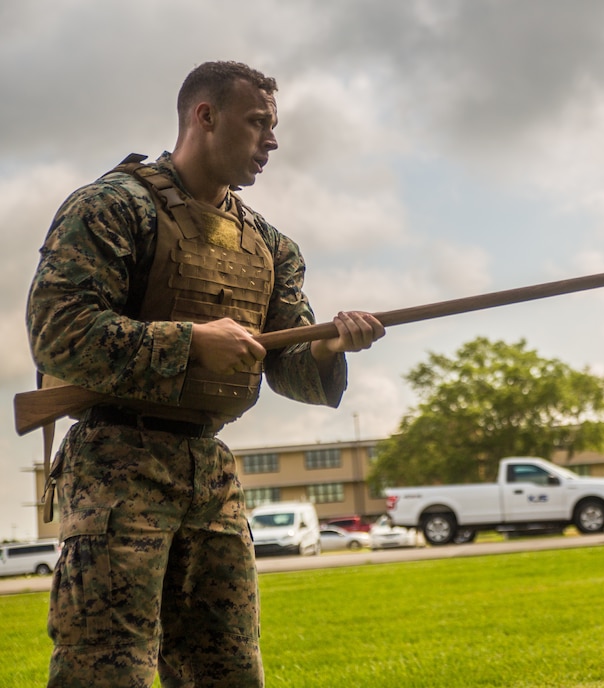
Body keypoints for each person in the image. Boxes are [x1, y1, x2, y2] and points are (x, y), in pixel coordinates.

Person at [26, 61, 385, 687]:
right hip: (116, 466)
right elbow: (59, 333)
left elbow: (291, 371)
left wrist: (329, 348)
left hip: (209, 474)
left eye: (274, 127)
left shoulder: (272, 248)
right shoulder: (112, 207)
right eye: (258, 123)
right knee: (106, 671)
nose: (271, 141)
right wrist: (192, 343)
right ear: (205, 116)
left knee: (226, 671)